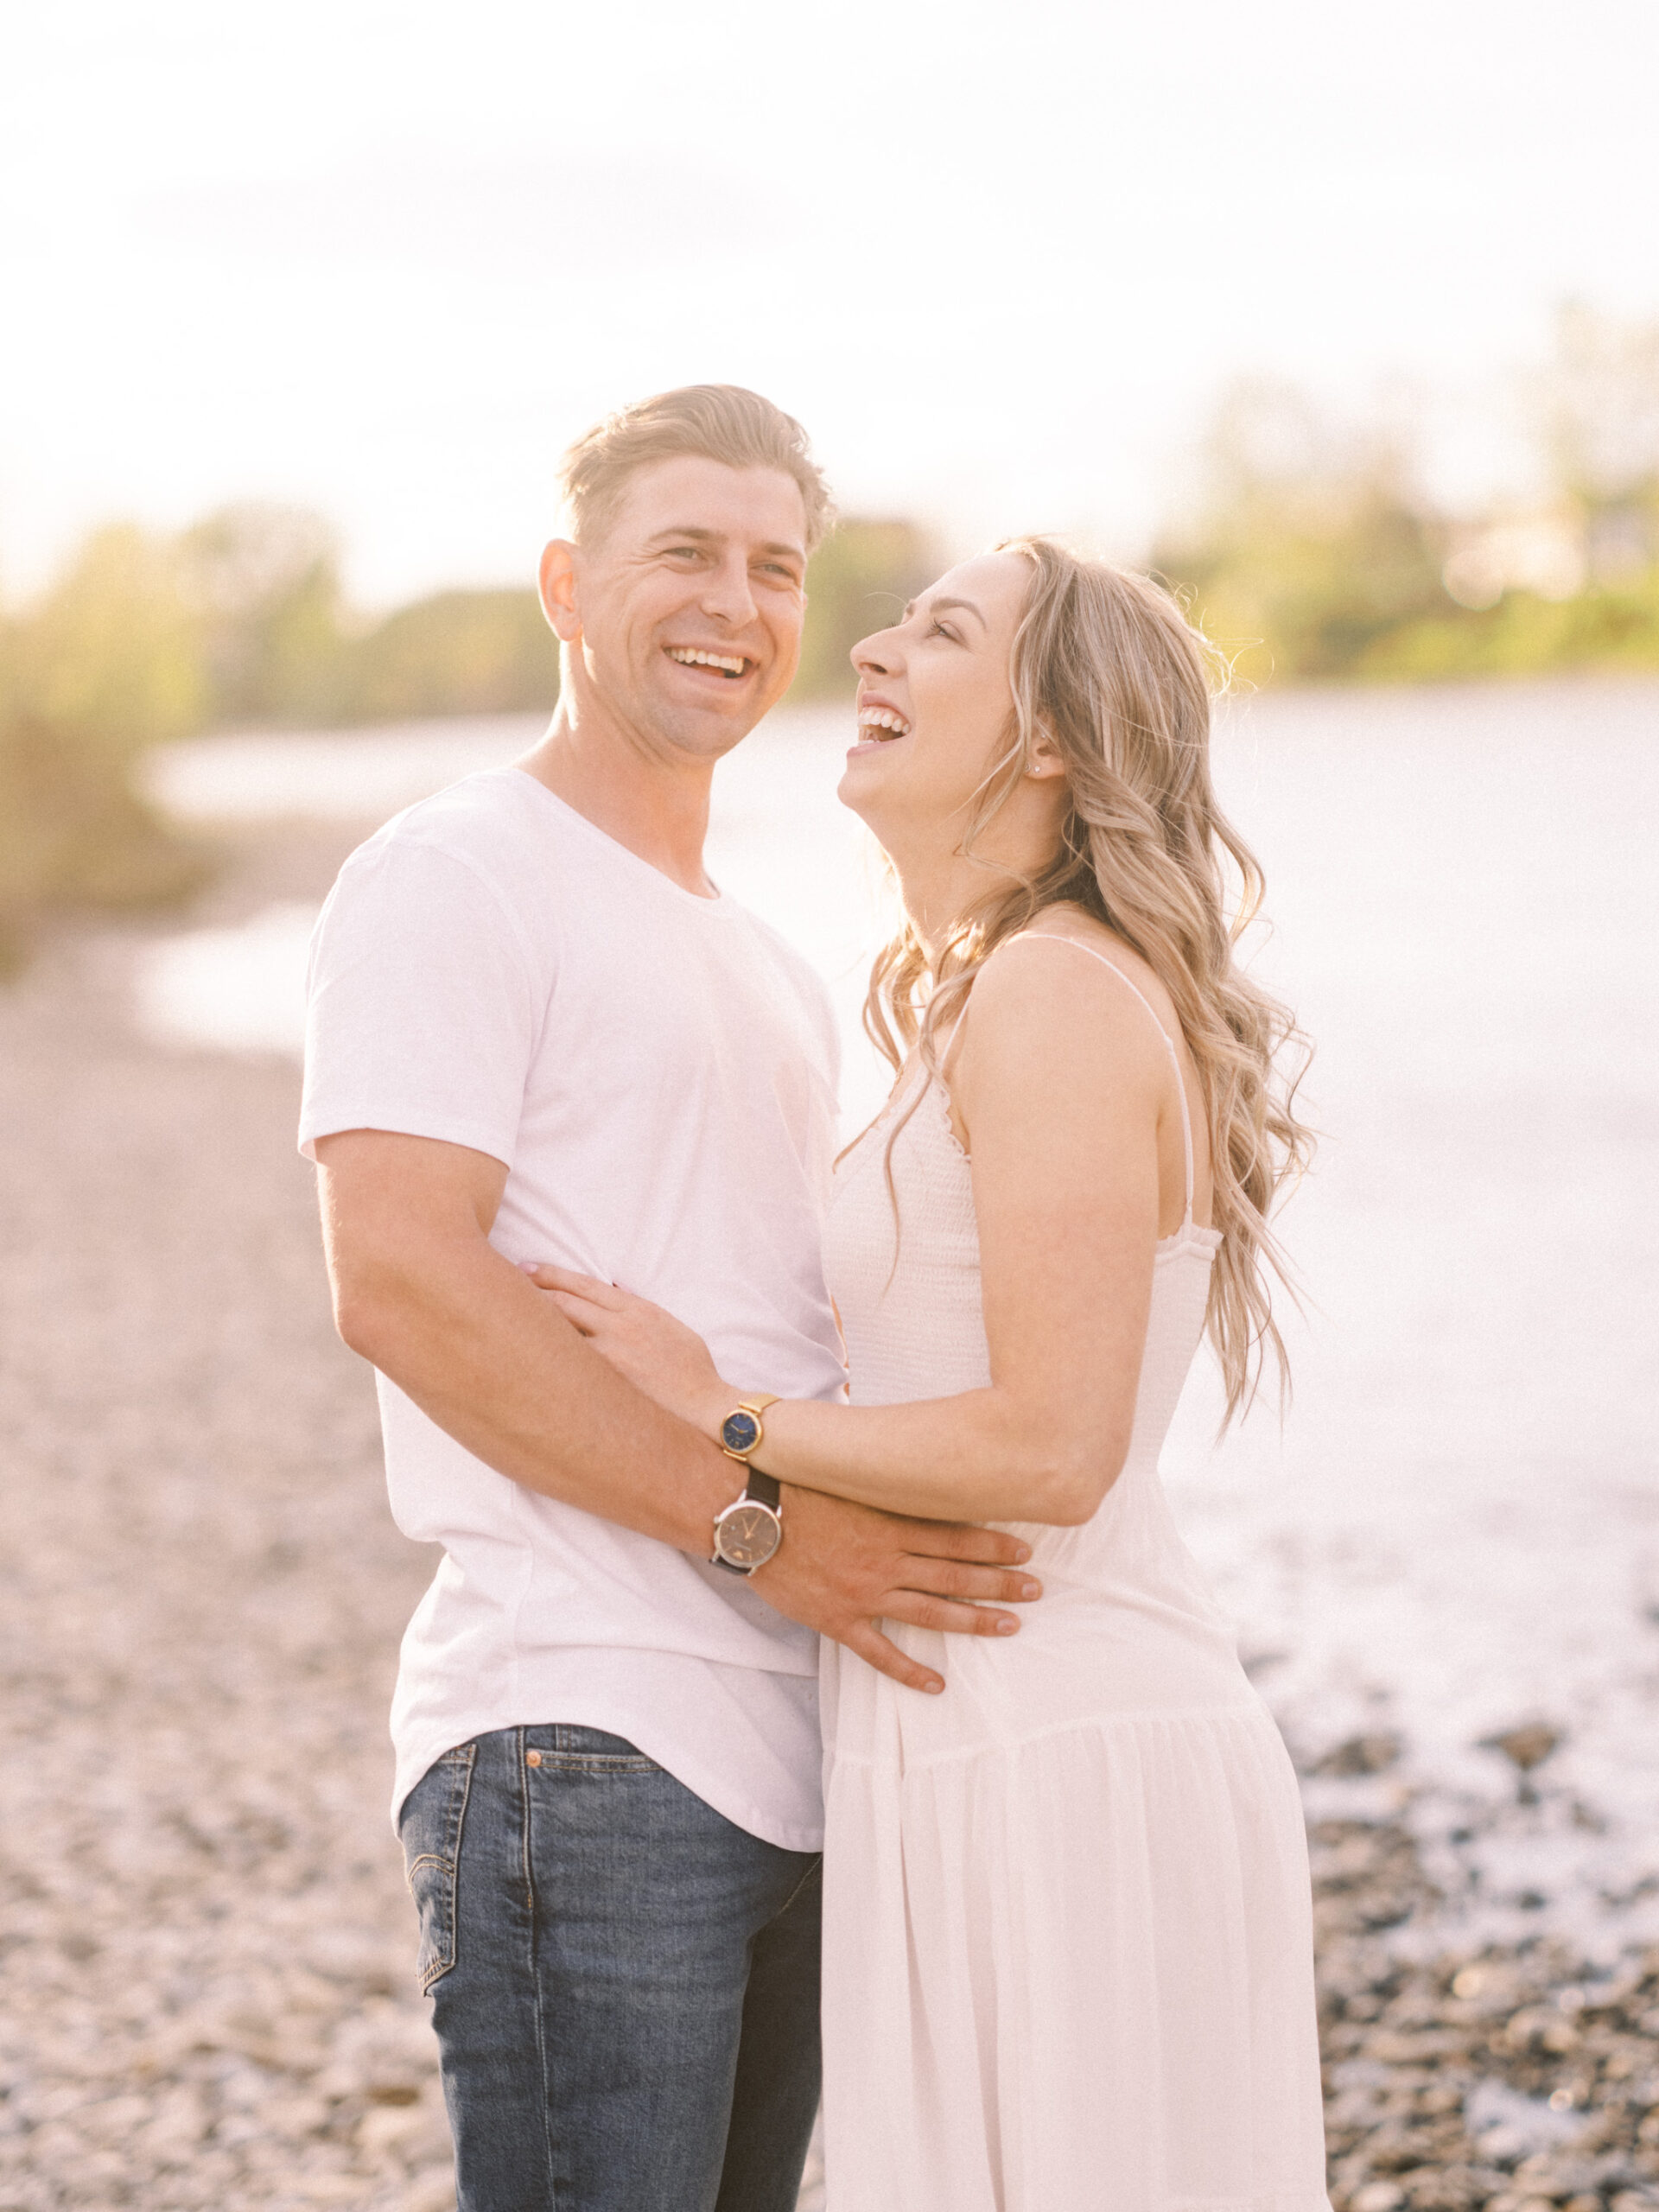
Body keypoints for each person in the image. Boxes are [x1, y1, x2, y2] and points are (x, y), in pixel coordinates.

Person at [298, 386, 1039, 2212]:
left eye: (776, 565)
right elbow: (398, 1276)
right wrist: (757, 1535)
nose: (739, 601)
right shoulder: (453, 870)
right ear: (567, 583)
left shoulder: (768, 955)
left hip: (795, 1742)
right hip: (587, 1726)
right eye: (685, 554)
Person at [531, 538, 1331, 2210]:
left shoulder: (1051, 993)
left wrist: (720, 1416)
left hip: (1059, 1741)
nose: (876, 647)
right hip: (978, 1730)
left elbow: (1057, 1448)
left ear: (1046, 736)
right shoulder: (1000, 995)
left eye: (943, 631)